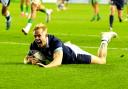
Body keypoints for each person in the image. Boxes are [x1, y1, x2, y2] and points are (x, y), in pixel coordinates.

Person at [23, 23, 117, 68]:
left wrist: (46, 66)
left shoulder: (54, 42)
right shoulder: (34, 44)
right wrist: (29, 61)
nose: (36, 38)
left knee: (102, 60)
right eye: (35, 36)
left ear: (46, 35)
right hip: (65, 48)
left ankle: (105, 38)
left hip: (74, 55)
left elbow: (58, 61)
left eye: (39, 35)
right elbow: (26, 58)